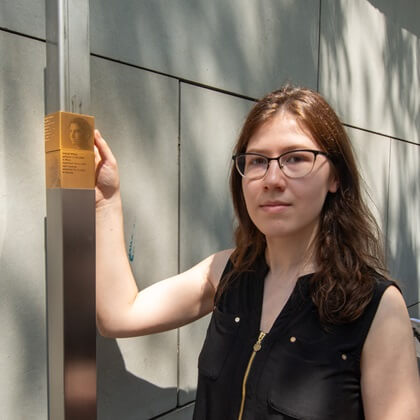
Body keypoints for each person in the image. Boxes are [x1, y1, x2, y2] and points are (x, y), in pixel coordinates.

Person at [95, 86, 420, 420]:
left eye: (295, 158)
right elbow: (119, 315)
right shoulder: (225, 271)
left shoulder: (376, 308)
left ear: (334, 176)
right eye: (258, 161)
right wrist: (106, 200)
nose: (272, 178)